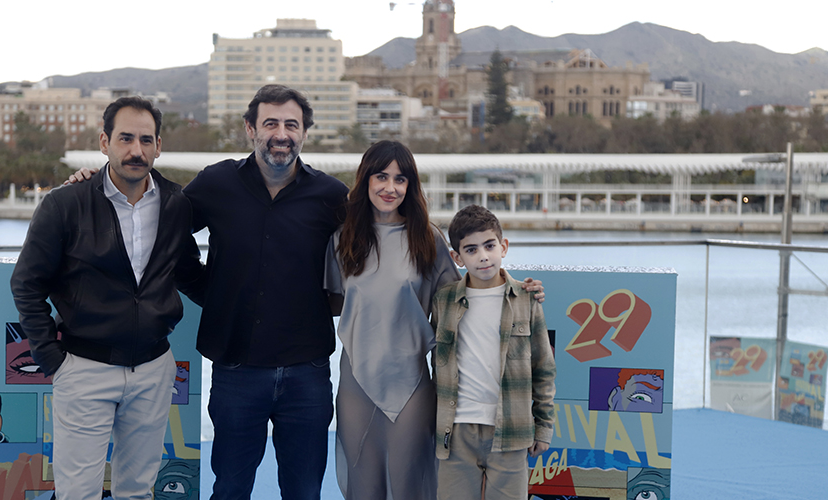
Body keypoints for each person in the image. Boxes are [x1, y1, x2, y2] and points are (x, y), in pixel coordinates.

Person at [324, 142, 545, 499]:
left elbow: (465, 296)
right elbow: (334, 303)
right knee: (363, 482)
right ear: (366, 180)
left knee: (409, 481)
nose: (390, 187)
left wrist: (519, 289)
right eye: (381, 177)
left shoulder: (427, 238)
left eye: (400, 179)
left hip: (411, 382)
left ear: (410, 185)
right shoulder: (342, 239)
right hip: (355, 383)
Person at [11, 96, 205, 500]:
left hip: (153, 369)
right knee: (77, 493)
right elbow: (27, 283)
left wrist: (248, 301)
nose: (136, 150)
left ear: (158, 146)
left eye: (146, 140)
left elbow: (188, 273)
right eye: (125, 138)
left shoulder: (176, 204)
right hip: (84, 368)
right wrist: (52, 359)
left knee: (137, 492)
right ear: (105, 142)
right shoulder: (65, 204)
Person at [183, 85, 348, 500]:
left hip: (307, 373)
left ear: (304, 133)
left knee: (304, 491)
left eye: (291, 125)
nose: (281, 134)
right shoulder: (216, 183)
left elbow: (374, 248)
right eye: (270, 123)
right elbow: (165, 230)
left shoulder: (331, 196)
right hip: (236, 369)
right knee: (230, 489)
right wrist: (210, 292)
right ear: (250, 129)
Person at [430, 204, 556, 500]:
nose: (483, 256)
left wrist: (543, 427)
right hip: (456, 431)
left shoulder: (526, 299)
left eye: (489, 246)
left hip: (511, 431)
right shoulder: (444, 300)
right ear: (457, 258)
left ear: (504, 246)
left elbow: (544, 369)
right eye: (471, 250)